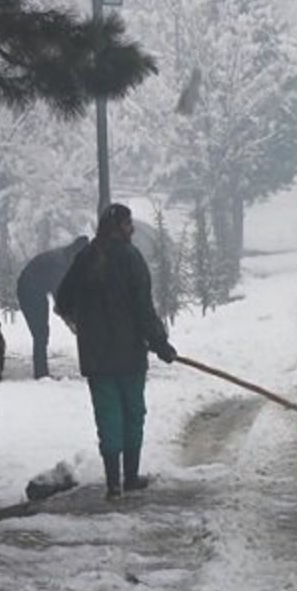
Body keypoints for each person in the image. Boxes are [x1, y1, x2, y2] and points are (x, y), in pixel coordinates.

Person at [55, 204, 177, 500]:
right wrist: (160, 343)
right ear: (120, 227)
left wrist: (81, 323)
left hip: (97, 357)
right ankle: (130, 477)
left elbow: (62, 299)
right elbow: (143, 309)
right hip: (130, 355)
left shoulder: (85, 258)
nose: (132, 229)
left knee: (108, 416)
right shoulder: (131, 259)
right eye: (128, 224)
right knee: (133, 413)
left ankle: (113, 483)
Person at [16, 235, 89, 378]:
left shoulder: (67, 259)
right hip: (28, 290)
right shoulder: (59, 264)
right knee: (40, 332)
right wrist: (72, 322)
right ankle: (41, 374)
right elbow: (61, 298)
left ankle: (41, 371)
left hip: (37, 289)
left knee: (42, 332)